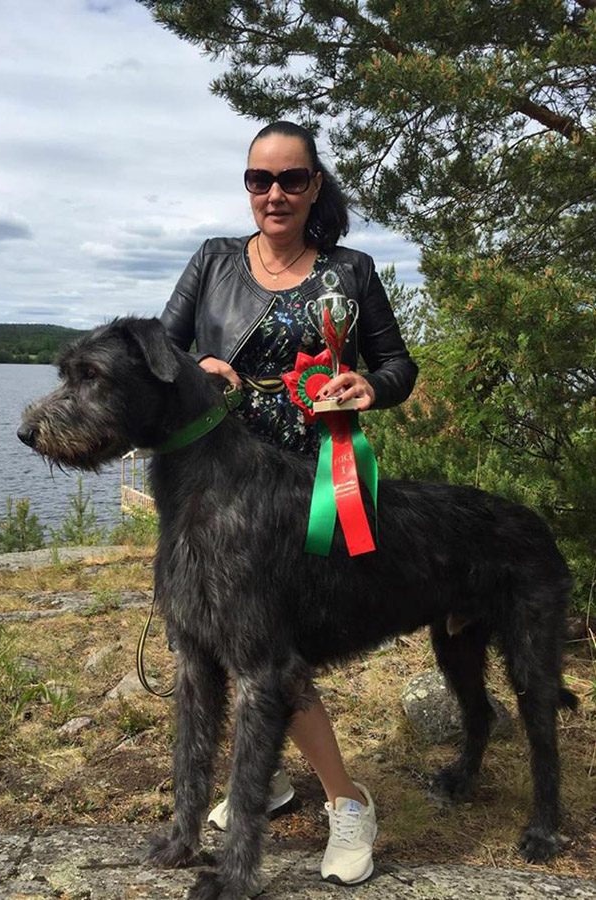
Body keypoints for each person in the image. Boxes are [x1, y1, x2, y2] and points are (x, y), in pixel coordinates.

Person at [159, 120, 418, 886]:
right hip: (213, 488)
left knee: (272, 656)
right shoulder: (211, 260)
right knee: (211, 649)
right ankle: (265, 782)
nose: (273, 194)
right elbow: (156, 352)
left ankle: (347, 803)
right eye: (258, 180)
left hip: (306, 489)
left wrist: (371, 385)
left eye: (291, 179)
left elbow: (397, 362)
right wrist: (195, 364)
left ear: (315, 186)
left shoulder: (351, 269)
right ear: (246, 186)